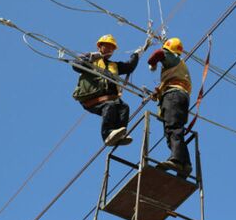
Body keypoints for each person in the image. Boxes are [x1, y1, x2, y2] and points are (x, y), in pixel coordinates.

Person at [71, 34, 140, 146]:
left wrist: (136, 54)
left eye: (112, 48)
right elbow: (75, 65)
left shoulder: (114, 65)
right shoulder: (91, 59)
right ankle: (107, 135)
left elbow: (129, 67)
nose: (110, 50)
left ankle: (119, 134)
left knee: (124, 107)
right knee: (110, 107)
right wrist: (91, 57)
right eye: (107, 46)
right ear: (100, 46)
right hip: (92, 98)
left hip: (109, 98)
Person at [147, 37, 193, 177]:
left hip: (173, 97)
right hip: (182, 97)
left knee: (172, 129)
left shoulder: (171, 57)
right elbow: (171, 81)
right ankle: (186, 164)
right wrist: (159, 92)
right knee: (175, 130)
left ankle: (177, 160)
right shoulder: (179, 65)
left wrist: (153, 64)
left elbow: (158, 54)